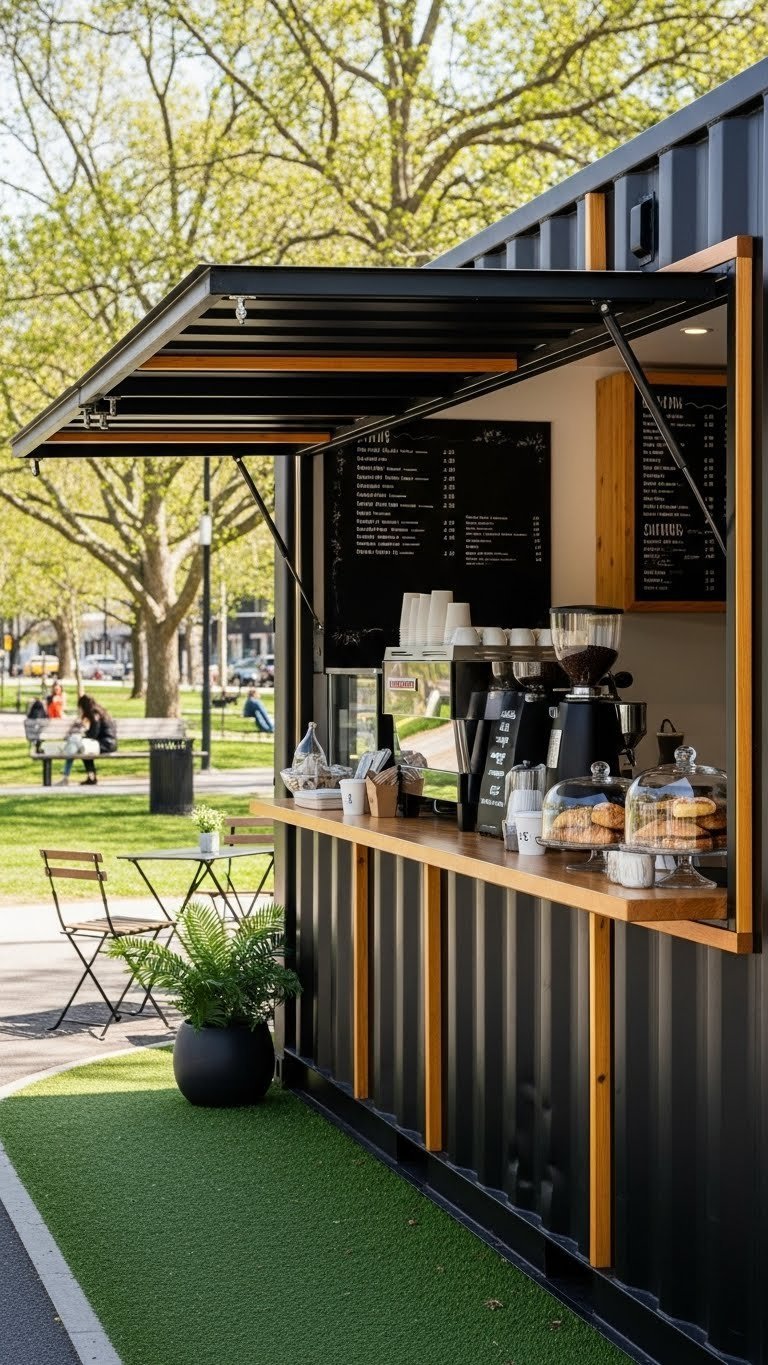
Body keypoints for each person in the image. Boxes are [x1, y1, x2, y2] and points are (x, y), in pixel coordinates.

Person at [57, 694, 117, 786]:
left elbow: (94, 734)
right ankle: (90, 777)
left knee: (78, 745)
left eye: (80, 707)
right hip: (108, 743)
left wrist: (82, 736)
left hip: (105, 744)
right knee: (81, 748)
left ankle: (67, 776)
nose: (80, 710)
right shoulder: (99, 712)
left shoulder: (95, 714)